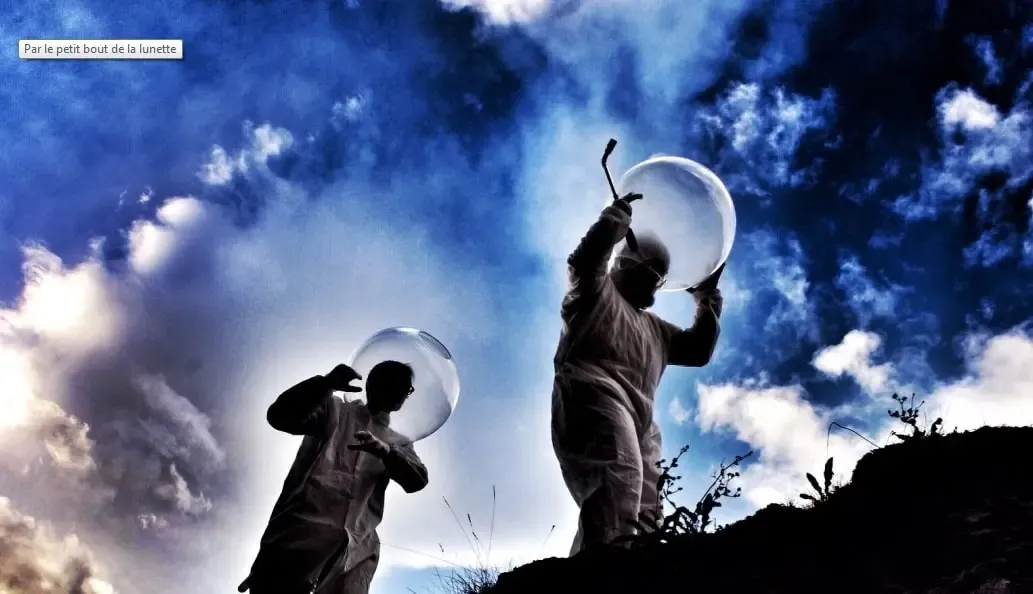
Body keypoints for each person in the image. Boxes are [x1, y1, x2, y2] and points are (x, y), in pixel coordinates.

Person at [550, 192, 725, 555]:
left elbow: (698, 350)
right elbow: (584, 262)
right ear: (627, 260)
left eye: (661, 274)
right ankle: (600, 573)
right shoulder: (594, 293)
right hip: (593, 395)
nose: (656, 277)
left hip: (639, 419)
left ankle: (637, 571)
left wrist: (707, 298)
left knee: (647, 505)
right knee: (616, 482)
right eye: (652, 266)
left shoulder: (656, 328)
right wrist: (613, 220)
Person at [238, 360, 429, 594]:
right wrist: (324, 384)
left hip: (356, 554)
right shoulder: (334, 409)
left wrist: (386, 453)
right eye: (394, 383)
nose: (400, 392)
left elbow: (417, 480)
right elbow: (279, 416)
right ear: (373, 382)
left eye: (406, 388)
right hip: (296, 543)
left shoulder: (398, 442)